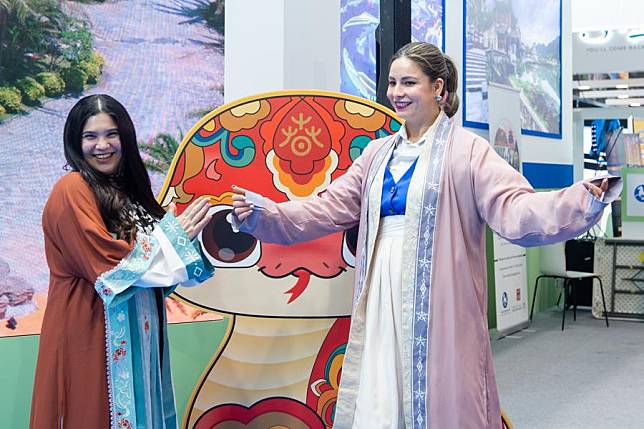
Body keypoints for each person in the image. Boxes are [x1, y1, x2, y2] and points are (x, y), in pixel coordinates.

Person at [230, 42, 621, 428]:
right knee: (381, 387)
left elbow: (516, 209)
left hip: (440, 296)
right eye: (392, 83)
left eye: (409, 83)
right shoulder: (377, 154)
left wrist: (579, 200)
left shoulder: (468, 151)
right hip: (381, 288)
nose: (397, 93)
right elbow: (327, 209)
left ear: (438, 88)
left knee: (443, 391)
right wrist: (267, 214)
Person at [30, 94, 214, 429]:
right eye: (91, 136)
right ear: (75, 141)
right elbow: (110, 268)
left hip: (139, 335)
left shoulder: (127, 192)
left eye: (111, 134)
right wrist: (170, 237)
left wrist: (185, 237)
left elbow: (153, 276)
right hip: (91, 333)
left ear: (125, 137)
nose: (102, 145)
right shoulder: (72, 188)